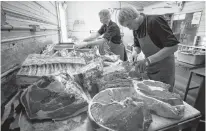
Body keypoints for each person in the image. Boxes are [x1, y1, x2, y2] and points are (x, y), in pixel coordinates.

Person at [118, 6, 179, 92]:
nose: (129, 28)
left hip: (164, 67)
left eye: (128, 24)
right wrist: (135, 52)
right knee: (151, 93)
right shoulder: (136, 28)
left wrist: (148, 60)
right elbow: (137, 45)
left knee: (163, 95)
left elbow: (173, 46)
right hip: (150, 66)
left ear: (133, 17)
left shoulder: (154, 21)